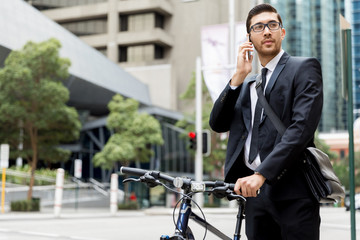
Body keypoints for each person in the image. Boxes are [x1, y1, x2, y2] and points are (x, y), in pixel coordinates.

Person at [209, 3, 323, 240]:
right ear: (249, 37)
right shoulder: (248, 84)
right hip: (255, 198)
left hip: (294, 194)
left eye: (272, 25)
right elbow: (217, 124)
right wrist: (237, 77)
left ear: (282, 32)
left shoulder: (303, 68)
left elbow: (300, 130)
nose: (267, 31)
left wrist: (262, 173)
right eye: (258, 27)